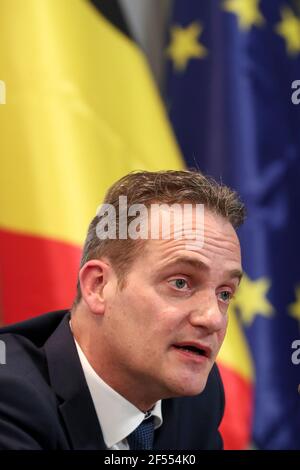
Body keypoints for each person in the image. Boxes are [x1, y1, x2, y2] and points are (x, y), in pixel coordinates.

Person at [0, 170, 245, 450]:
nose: (213, 318)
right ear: (98, 286)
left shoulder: (198, 398)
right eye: (180, 283)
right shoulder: (10, 398)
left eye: (225, 293)